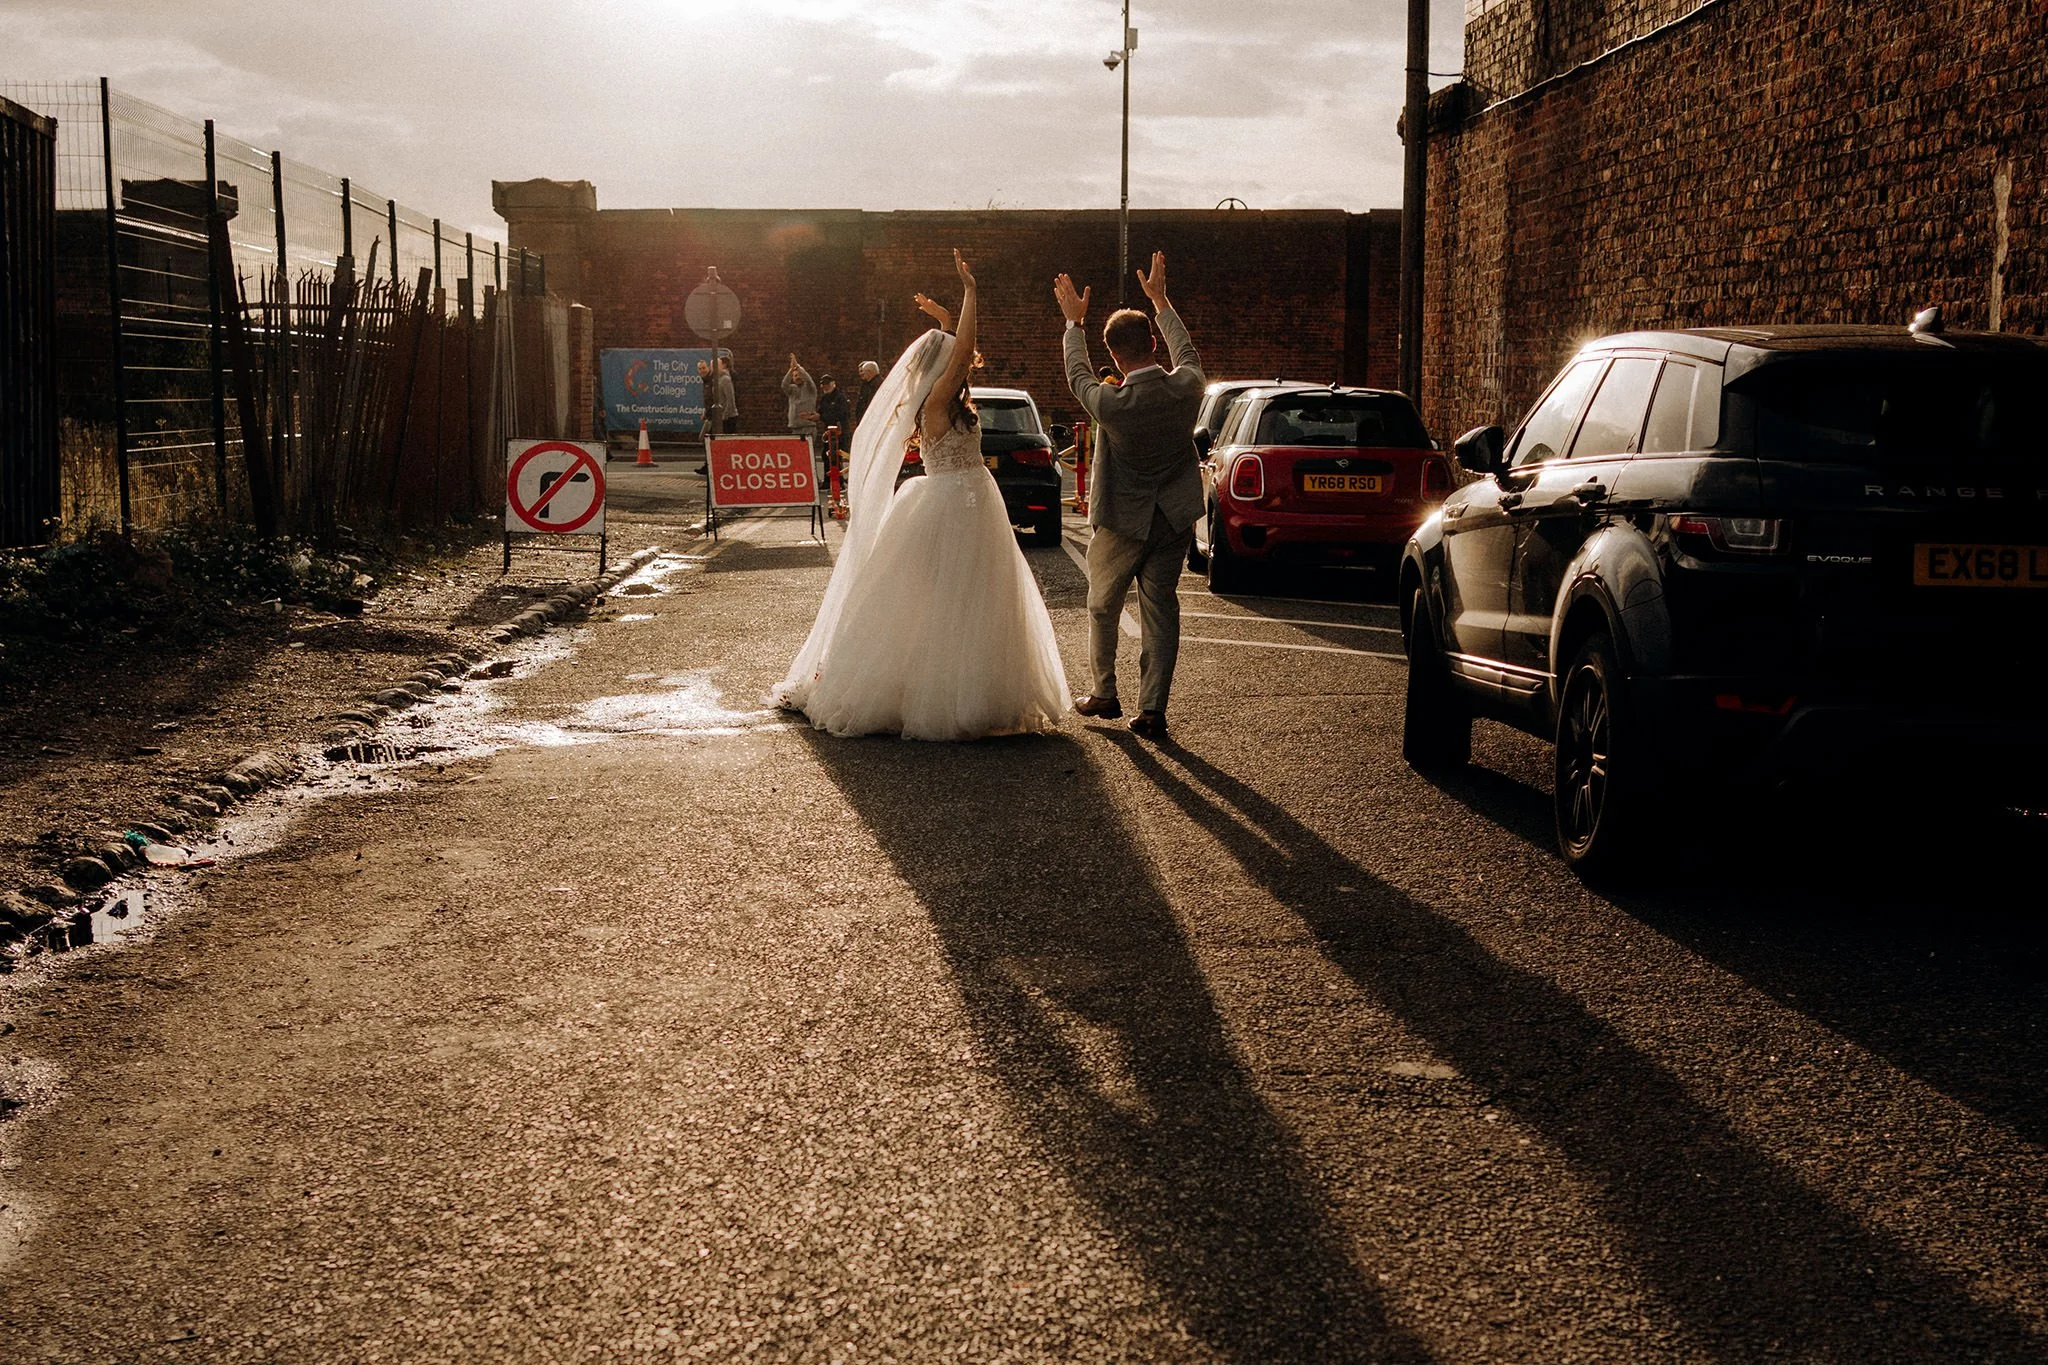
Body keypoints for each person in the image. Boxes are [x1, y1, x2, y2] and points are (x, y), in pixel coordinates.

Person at [773, 251, 1066, 740]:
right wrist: (970, 291)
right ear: (940, 368)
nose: (960, 363)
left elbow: (953, 349)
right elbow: (963, 350)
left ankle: (963, 688)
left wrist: (943, 318)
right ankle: (951, 696)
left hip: (963, 498)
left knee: (960, 597)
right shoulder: (937, 400)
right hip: (959, 502)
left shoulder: (935, 396)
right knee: (956, 596)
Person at [1054, 250, 1206, 740]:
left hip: (1122, 519)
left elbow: (1077, 375)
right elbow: (1187, 353)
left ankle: (1104, 692)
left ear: (1115, 356)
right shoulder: (1188, 386)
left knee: (1102, 605)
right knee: (1161, 608)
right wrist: (1161, 301)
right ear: (1153, 345)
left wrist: (1073, 324)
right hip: (1174, 517)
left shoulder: (1111, 403)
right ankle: (1153, 709)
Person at [782, 354, 820, 448]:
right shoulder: (792, 390)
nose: (797, 377)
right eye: (795, 376)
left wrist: (798, 367)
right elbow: (784, 385)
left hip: (808, 427)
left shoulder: (810, 389)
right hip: (795, 428)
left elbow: (808, 379)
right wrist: (791, 369)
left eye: (799, 375)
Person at [815, 373, 852, 458]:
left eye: (827, 384)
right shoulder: (824, 398)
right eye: (823, 385)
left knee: (836, 457)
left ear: (833, 384)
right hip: (828, 432)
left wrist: (821, 417)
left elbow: (842, 415)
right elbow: (821, 411)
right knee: (826, 456)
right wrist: (813, 415)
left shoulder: (840, 398)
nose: (825, 387)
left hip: (839, 432)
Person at [851, 359, 882, 428]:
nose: (861, 374)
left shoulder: (876, 385)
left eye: (863, 372)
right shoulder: (866, 385)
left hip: (872, 421)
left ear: (869, 372)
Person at [715, 358, 738, 434]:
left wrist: (724, 416)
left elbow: (730, 399)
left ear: (723, 365)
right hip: (723, 416)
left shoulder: (725, 379)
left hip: (728, 417)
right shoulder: (718, 379)